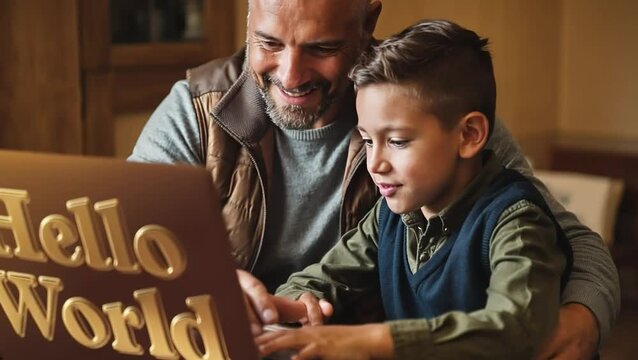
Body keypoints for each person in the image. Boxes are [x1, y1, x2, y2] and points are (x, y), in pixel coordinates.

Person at [128, 0, 619, 358]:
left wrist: (583, 321)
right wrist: (255, 302)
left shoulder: (428, 99)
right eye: (269, 43)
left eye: (322, 46)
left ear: (368, 24)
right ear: (248, 19)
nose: (292, 75)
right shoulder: (194, 110)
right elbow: (119, 260)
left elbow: (570, 242)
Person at [254, 18, 570, 359]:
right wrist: (297, 300)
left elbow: (515, 328)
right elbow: (323, 277)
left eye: (397, 141)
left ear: (469, 135)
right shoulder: (388, 217)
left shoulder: (517, 222)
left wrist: (373, 340)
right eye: (367, 141)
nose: (375, 164)